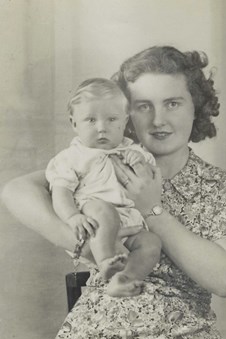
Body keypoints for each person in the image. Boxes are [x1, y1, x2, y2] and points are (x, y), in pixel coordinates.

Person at [1, 46, 226, 339]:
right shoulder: (99, 163)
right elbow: (16, 190)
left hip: (181, 335)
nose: (158, 119)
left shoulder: (222, 184)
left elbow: (225, 278)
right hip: (96, 329)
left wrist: (153, 209)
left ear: (196, 106)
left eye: (173, 103)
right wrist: (89, 244)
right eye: (143, 105)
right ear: (124, 113)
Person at [45, 77, 161, 297]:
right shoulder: (72, 157)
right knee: (103, 210)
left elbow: (151, 183)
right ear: (74, 123)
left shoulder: (133, 151)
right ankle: (106, 261)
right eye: (90, 120)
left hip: (129, 221)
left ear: (125, 120)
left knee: (151, 242)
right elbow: (61, 192)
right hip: (95, 220)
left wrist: (140, 164)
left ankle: (124, 279)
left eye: (111, 119)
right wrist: (72, 217)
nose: (101, 128)